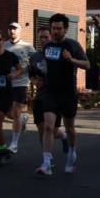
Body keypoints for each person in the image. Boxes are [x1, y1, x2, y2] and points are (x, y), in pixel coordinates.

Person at [36, 13, 89, 175]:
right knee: (48, 126)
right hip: (51, 93)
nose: (55, 31)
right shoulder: (47, 47)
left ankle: (72, 152)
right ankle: (46, 163)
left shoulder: (72, 45)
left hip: (68, 93)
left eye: (59, 28)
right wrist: (39, 76)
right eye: (53, 28)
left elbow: (87, 65)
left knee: (70, 128)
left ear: (65, 29)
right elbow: (47, 67)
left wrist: (71, 59)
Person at [0, 29, 23, 166]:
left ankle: (1, 151)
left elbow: (20, 69)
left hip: (5, 93)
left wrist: (14, 75)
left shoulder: (10, 56)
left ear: (3, 40)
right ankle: (3, 149)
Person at [28, 26, 68, 153]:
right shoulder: (34, 56)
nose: (44, 39)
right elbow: (31, 74)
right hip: (40, 97)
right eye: (41, 37)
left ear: (51, 37)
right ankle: (47, 159)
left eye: (46, 37)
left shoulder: (58, 54)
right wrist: (34, 81)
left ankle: (64, 136)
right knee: (41, 129)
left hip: (55, 97)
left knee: (52, 130)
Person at [2, 21, 34, 152]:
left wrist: (34, 78)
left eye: (14, 29)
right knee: (8, 113)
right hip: (6, 83)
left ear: (20, 31)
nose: (12, 31)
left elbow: (35, 62)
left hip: (21, 83)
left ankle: (14, 144)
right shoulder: (3, 45)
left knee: (15, 111)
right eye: (10, 29)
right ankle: (23, 118)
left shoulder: (27, 47)